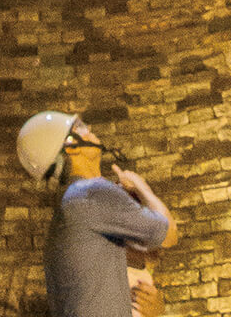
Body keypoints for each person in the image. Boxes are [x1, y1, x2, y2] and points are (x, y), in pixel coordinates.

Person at [17, 111, 178, 317]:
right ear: (71, 146)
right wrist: (141, 186)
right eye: (80, 127)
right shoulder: (92, 192)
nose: (89, 129)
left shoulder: (69, 207)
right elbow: (169, 235)